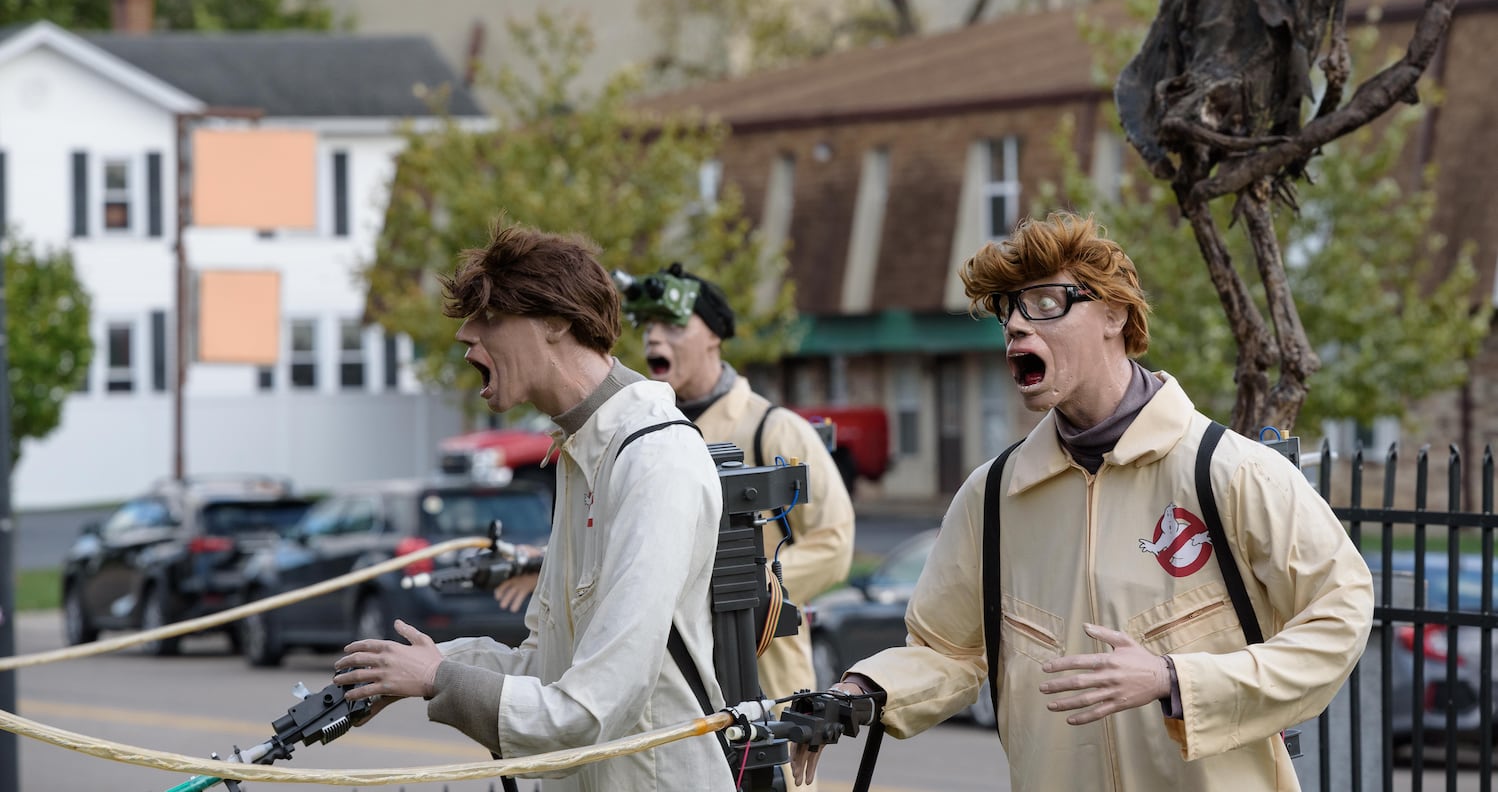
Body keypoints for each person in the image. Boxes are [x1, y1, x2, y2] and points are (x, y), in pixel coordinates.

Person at [793, 211, 1374, 791]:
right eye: (1008, 310)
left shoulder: (1231, 471)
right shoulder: (992, 497)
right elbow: (949, 652)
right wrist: (859, 693)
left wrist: (1175, 679)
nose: (1018, 325)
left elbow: (1339, 613)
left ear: (1114, 315)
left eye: (1045, 303)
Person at [335, 222, 735, 792]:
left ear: (556, 322)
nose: (466, 336)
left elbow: (592, 710)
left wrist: (437, 678)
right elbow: (547, 669)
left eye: (491, 317)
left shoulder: (655, 458)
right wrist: (418, 665)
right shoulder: (580, 450)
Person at [632, 263, 855, 791]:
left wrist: (747, 589)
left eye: (673, 326)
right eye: (647, 329)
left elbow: (835, 542)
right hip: (673, 697)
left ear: (713, 337)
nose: (654, 339)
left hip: (767, 687)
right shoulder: (641, 435)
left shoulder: (772, 428)